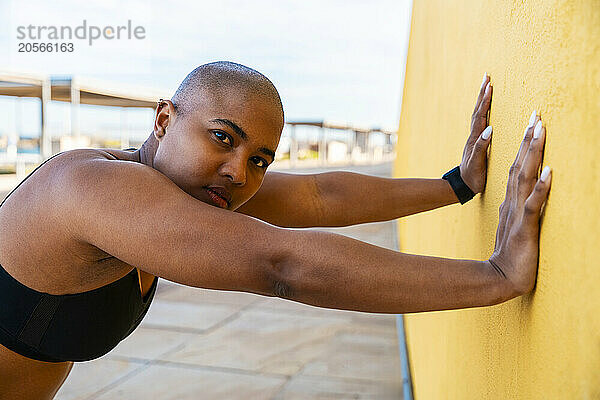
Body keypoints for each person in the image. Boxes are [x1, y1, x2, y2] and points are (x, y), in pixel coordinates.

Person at [0, 61, 551, 399]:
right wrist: (497, 277)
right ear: (164, 119)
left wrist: (456, 185)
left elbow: (318, 195)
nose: (239, 172)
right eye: (222, 138)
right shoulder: (93, 189)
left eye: (260, 158)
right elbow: (283, 264)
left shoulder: (188, 188)